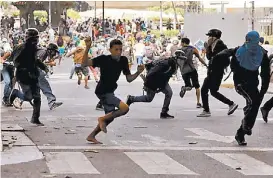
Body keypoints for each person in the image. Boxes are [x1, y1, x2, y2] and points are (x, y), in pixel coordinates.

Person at [82, 37, 144, 144]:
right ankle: (101, 119)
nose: (119, 52)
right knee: (124, 108)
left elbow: (129, 79)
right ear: (110, 50)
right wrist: (87, 47)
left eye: (120, 49)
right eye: (116, 49)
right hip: (102, 90)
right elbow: (84, 63)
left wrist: (138, 72)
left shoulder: (123, 60)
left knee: (109, 117)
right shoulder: (103, 59)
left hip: (110, 91)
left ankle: (92, 135)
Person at [215, 31, 270, 145]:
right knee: (253, 103)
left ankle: (241, 133)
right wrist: (216, 60)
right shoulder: (239, 50)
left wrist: (263, 91)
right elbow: (225, 53)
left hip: (253, 84)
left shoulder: (262, 53)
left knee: (254, 105)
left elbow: (265, 74)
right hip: (241, 84)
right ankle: (246, 125)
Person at [197, 29, 238, 117]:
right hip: (212, 71)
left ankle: (206, 110)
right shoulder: (212, 45)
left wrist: (208, 49)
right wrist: (208, 47)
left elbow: (219, 59)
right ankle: (230, 104)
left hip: (216, 72)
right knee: (213, 91)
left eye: (209, 36)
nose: (208, 38)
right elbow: (209, 57)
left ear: (214, 37)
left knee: (205, 90)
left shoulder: (220, 46)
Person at [13, 28, 48, 126]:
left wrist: (43, 67)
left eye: (35, 38)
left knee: (37, 97)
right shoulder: (20, 48)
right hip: (23, 75)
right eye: (32, 38)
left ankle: (35, 118)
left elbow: (36, 60)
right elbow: (15, 61)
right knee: (28, 97)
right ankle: (15, 93)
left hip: (33, 74)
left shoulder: (36, 48)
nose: (34, 41)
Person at [178, 38, 208, 108]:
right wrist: (205, 64)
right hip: (192, 69)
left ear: (182, 43)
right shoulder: (193, 49)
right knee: (197, 86)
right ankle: (198, 102)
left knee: (189, 87)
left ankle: (184, 88)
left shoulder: (179, 50)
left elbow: (176, 61)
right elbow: (200, 58)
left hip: (184, 71)